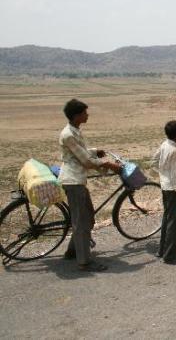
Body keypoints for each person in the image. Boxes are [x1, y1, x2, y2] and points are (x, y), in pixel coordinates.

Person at [59, 99, 122, 272]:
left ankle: (73, 251)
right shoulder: (68, 134)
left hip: (78, 180)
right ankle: (84, 262)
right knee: (81, 221)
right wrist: (108, 164)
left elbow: (82, 151)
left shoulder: (75, 131)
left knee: (87, 218)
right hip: (73, 181)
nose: (87, 115)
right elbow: (86, 161)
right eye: (85, 113)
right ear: (77, 116)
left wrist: (96, 151)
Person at [152, 120, 176, 264]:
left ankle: (162, 249)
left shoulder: (164, 145)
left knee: (167, 219)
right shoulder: (175, 151)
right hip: (174, 189)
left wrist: (162, 175)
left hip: (165, 186)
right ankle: (170, 255)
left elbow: (154, 161)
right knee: (174, 223)